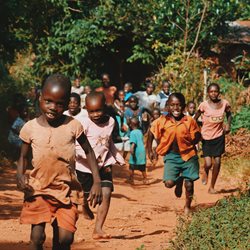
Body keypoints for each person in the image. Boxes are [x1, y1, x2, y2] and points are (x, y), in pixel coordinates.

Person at [16, 73, 102, 250]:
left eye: (59, 103)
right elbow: (23, 157)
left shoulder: (73, 126)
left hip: (66, 190)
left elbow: (89, 151)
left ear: (67, 103)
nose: (53, 107)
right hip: (38, 188)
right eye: (48, 101)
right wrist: (19, 175)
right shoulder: (30, 127)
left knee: (64, 239)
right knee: (37, 237)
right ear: (40, 98)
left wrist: (97, 181)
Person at [75, 91, 125, 239]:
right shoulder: (83, 123)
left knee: (106, 193)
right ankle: (84, 203)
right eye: (92, 111)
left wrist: (116, 156)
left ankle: (98, 229)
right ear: (86, 109)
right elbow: (77, 147)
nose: (96, 114)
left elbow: (108, 142)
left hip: (104, 164)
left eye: (99, 110)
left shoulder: (111, 122)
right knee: (89, 196)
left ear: (105, 107)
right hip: (84, 166)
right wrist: (89, 159)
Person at [147, 93, 201, 215]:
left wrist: (197, 137)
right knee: (168, 183)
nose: (176, 108)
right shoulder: (162, 121)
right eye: (172, 105)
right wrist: (149, 150)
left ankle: (187, 206)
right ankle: (178, 180)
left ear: (184, 107)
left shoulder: (189, 121)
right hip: (172, 156)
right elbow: (151, 132)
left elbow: (196, 135)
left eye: (179, 105)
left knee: (189, 185)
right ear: (168, 106)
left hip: (188, 155)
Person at [194, 83, 232, 194]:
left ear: (219, 92)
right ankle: (205, 170)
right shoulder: (203, 105)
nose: (213, 93)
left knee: (218, 161)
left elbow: (229, 114)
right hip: (206, 137)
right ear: (208, 93)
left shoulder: (225, 103)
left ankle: (212, 187)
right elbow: (194, 119)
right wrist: (198, 132)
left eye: (215, 91)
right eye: (211, 91)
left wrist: (228, 124)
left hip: (219, 136)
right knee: (208, 163)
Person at [128, 117, 147, 185]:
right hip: (142, 151)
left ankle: (131, 179)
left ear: (131, 125)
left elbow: (133, 143)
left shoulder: (132, 133)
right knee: (142, 167)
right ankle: (145, 179)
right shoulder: (140, 131)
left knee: (131, 166)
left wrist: (132, 151)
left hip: (136, 151)